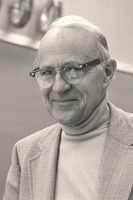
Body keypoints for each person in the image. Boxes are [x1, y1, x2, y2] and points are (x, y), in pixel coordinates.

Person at [3, 15, 133, 200]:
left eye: (73, 69)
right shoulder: (25, 153)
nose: (58, 87)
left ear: (107, 72)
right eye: (47, 72)